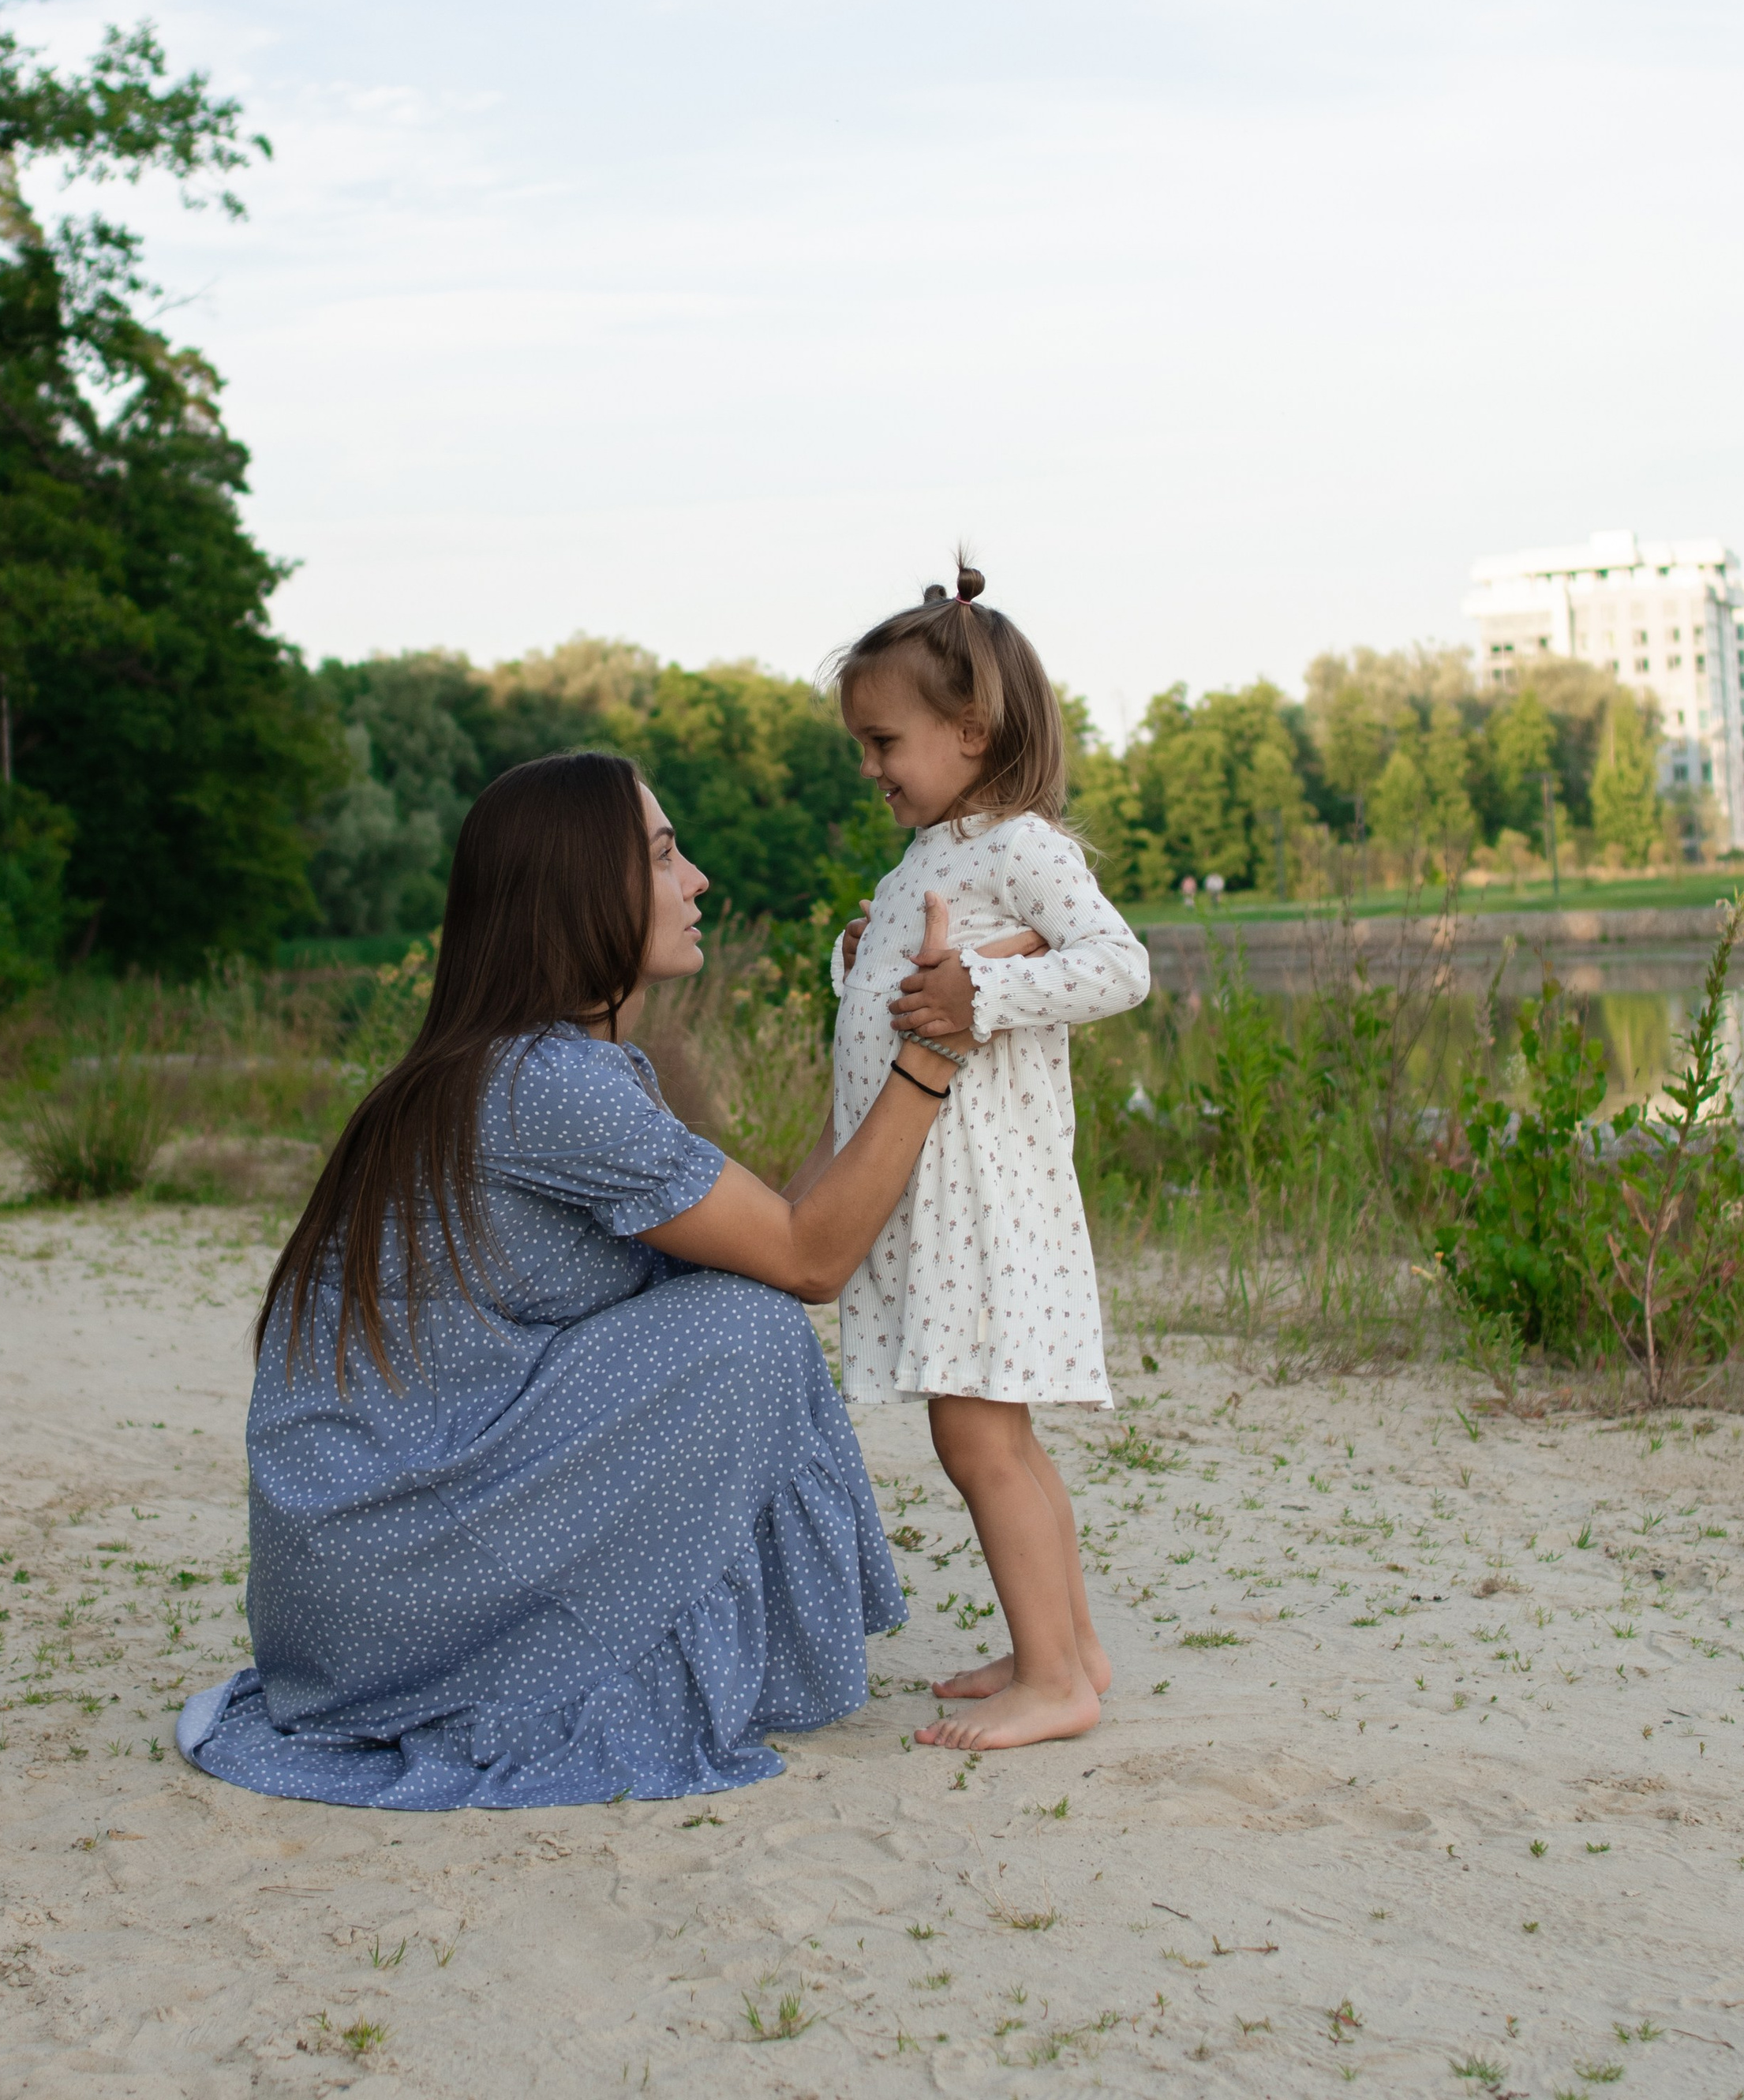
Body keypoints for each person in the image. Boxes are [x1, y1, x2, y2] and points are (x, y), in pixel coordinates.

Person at [175, 750, 967, 1812]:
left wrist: (870, 1025)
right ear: (581, 890)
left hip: (353, 1585)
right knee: (751, 1330)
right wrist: (933, 1059)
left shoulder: (505, 1065)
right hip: (390, 1582)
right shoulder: (549, 1088)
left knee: (744, 1307)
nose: (698, 881)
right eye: (664, 855)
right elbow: (812, 1259)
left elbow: (781, 1230)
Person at [797, 563, 1150, 1750]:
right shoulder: (935, 854)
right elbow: (916, 996)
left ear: (971, 729)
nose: (871, 766)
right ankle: (1071, 1645)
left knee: (976, 1435)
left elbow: (1118, 966)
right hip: (944, 1209)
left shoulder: (1019, 842)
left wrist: (985, 986)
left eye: (883, 739)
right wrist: (866, 957)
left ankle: (1056, 1679)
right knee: (1000, 1434)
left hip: (987, 1205)